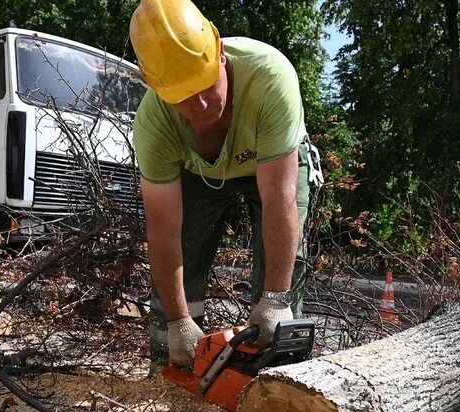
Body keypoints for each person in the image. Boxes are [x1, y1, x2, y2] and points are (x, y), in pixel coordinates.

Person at [129, 0, 320, 367]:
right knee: (185, 253)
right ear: (155, 86)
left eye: (206, 85)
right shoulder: (154, 124)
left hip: (270, 163)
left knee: (283, 278)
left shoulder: (270, 77)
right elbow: (164, 232)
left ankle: (279, 374)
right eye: (183, 97)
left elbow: (280, 200)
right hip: (199, 172)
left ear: (218, 52)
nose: (201, 104)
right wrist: (178, 322)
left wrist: (274, 299)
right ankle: (171, 366)